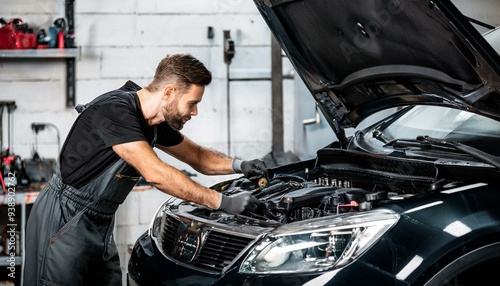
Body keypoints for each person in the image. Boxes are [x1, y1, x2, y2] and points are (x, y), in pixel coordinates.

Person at [24, 52, 267, 286]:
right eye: (192, 103)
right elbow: (155, 173)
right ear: (169, 92)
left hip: (101, 221)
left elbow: (197, 156)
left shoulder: (152, 120)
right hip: (64, 217)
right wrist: (223, 202)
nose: (195, 112)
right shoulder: (115, 111)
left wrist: (239, 165)